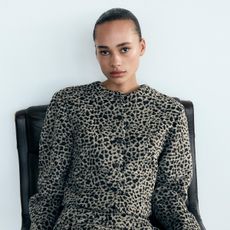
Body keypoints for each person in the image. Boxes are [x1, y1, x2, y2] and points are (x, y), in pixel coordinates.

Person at [28, 8, 201, 230]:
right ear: (96, 53)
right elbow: (50, 188)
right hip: (77, 223)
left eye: (124, 49)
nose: (115, 61)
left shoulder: (169, 112)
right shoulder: (68, 102)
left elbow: (169, 198)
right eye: (105, 52)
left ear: (142, 47)